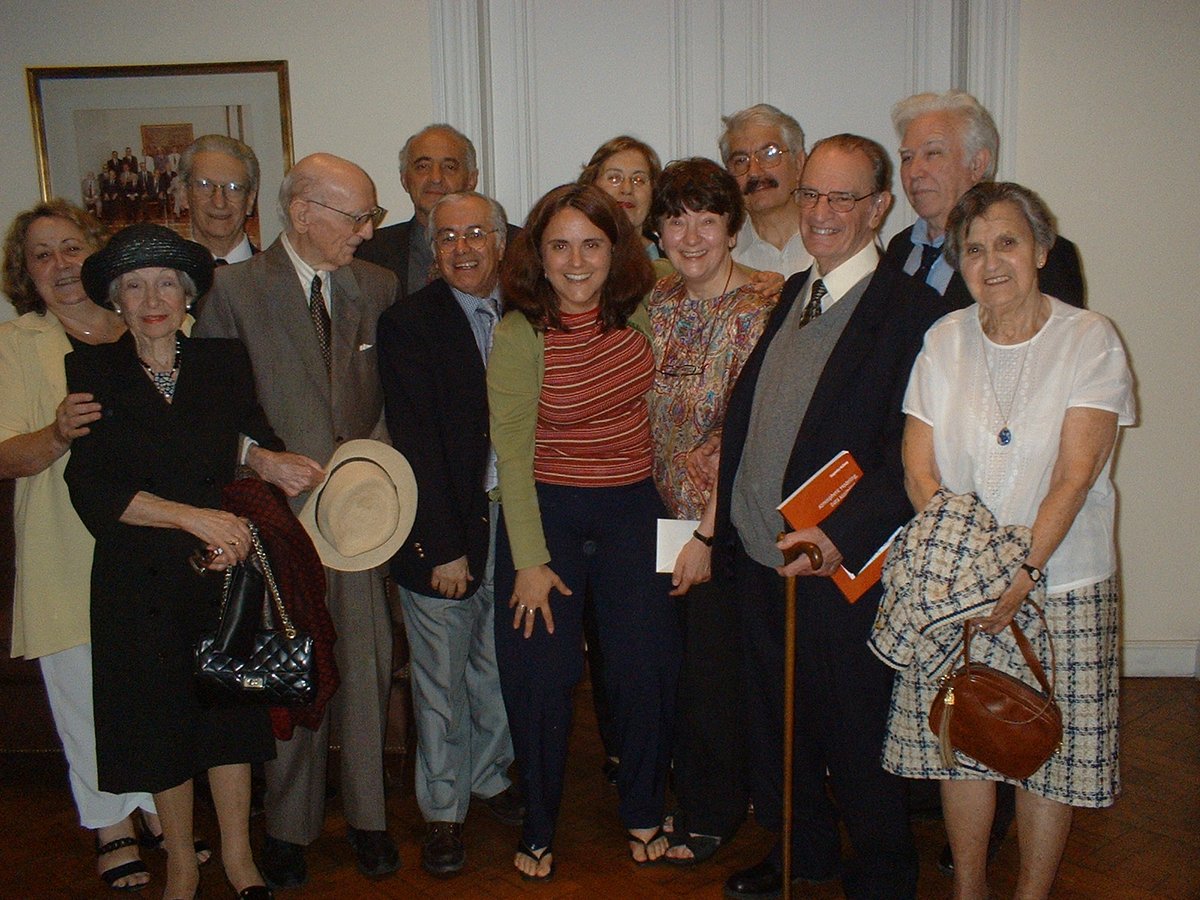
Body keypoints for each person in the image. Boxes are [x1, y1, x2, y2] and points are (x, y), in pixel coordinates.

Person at [875, 181, 1134, 900]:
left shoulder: (1090, 338)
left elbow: (1075, 476)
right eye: (975, 248)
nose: (991, 262)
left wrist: (1018, 570)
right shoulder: (944, 338)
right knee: (965, 744)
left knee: (1044, 753)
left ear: (1042, 250)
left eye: (1008, 243)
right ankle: (970, 891)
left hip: (1063, 582)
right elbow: (917, 469)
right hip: (961, 587)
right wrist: (974, 569)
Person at [714, 134, 952, 899]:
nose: (820, 212)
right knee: (778, 726)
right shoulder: (794, 292)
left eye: (841, 198)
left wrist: (838, 535)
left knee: (855, 730)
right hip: (760, 555)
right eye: (811, 193)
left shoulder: (916, 313)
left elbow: (905, 457)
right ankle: (800, 852)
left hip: (839, 565)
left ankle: (883, 874)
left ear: (879, 207)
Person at [64, 223, 309, 900]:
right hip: (135, 578)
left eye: (167, 283)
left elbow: (251, 436)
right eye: (135, 285)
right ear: (115, 299)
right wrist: (193, 516)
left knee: (227, 719)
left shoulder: (223, 361)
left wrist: (264, 460)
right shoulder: (91, 372)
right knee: (159, 725)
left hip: (220, 572)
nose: (153, 297)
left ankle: (237, 859)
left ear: (189, 295)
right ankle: (181, 863)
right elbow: (95, 488)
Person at [194, 152, 401, 889]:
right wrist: (259, 460)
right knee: (292, 673)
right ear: (304, 211)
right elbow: (208, 409)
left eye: (371, 215)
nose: (369, 231)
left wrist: (372, 472)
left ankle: (372, 819)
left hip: (362, 517)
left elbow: (387, 401)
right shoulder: (233, 292)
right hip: (277, 522)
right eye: (358, 216)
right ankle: (288, 826)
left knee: (368, 668)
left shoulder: (377, 287)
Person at [487, 183, 680, 880]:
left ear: (616, 249)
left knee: (644, 668)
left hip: (637, 509)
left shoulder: (649, 305)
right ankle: (538, 822)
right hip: (547, 513)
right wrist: (530, 562)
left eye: (591, 244)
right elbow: (511, 449)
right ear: (537, 255)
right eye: (559, 245)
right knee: (541, 672)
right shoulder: (518, 333)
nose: (576, 261)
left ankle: (643, 808)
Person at [0, 201, 159, 892]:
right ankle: (110, 823)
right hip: (63, 547)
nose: (61, 264)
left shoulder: (151, 321)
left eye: (71, 247)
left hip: (149, 538)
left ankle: (158, 806)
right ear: (25, 273)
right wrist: (58, 433)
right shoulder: (15, 343)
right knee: (82, 695)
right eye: (43, 254)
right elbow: (7, 456)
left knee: (153, 683)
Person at [377, 190, 525, 877]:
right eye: (447, 238)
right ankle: (443, 810)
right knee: (439, 678)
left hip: (516, 523)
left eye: (476, 234)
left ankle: (491, 776)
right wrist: (445, 546)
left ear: (501, 242)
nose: (462, 248)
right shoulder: (408, 324)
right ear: (432, 251)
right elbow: (416, 444)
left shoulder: (528, 316)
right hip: (444, 529)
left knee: (497, 662)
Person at [640, 158, 776, 866]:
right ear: (658, 228)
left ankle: (712, 812)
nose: (691, 234)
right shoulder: (652, 301)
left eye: (708, 218)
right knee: (675, 668)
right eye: (676, 217)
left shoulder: (762, 304)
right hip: (654, 518)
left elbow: (754, 431)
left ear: (731, 226)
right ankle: (695, 791)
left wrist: (706, 532)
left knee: (714, 675)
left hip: (722, 526)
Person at [885, 90, 1085, 310]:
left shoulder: (1043, 254)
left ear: (977, 164)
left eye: (933, 153)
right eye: (907, 158)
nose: (914, 172)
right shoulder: (899, 249)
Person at [358, 124, 487, 295]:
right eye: (423, 166)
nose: (435, 178)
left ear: (471, 180)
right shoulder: (367, 253)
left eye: (449, 167)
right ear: (404, 180)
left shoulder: (515, 249)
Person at [719, 103, 813, 278]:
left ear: (799, 163)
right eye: (740, 160)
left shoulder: (835, 237)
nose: (754, 171)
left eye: (769, 154)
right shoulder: (720, 254)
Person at [579, 135, 666, 264]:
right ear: (592, 185)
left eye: (638, 180)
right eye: (614, 178)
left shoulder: (675, 262)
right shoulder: (573, 259)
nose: (627, 189)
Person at [179, 135, 261, 263]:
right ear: (184, 194)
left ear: (250, 199)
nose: (219, 203)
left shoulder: (281, 279)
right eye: (205, 185)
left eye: (233, 188)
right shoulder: (167, 278)